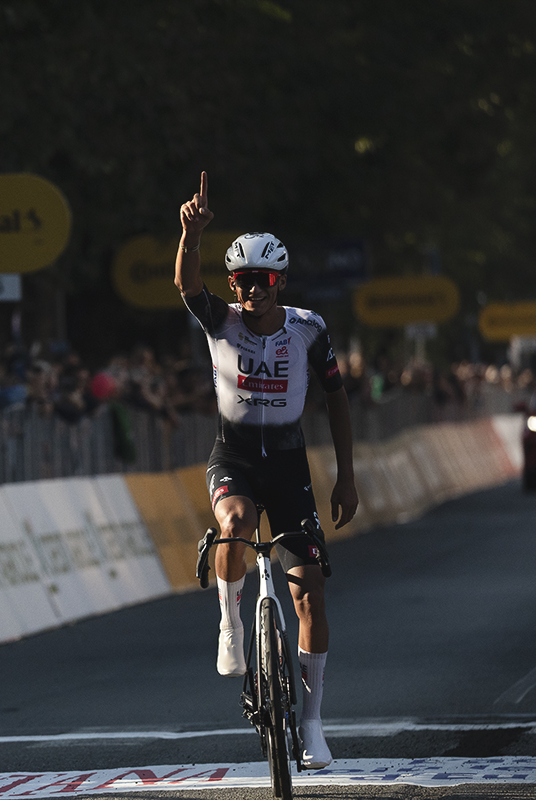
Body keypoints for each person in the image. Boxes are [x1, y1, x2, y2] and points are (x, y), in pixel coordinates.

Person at [174, 172, 358, 770]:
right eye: (244, 280)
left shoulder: (309, 329)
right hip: (233, 458)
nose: (254, 290)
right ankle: (230, 623)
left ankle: (312, 724)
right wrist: (191, 236)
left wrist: (347, 475)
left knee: (311, 595)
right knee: (233, 522)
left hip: (288, 465)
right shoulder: (219, 321)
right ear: (234, 284)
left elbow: (336, 398)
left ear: (279, 281)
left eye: (265, 280)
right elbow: (185, 285)